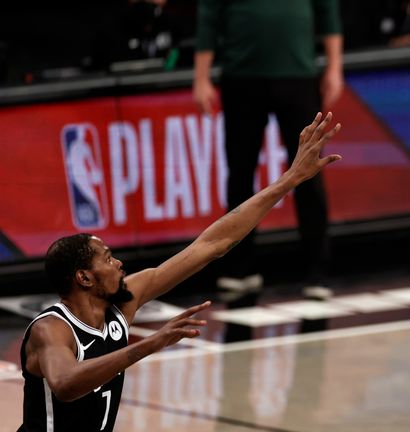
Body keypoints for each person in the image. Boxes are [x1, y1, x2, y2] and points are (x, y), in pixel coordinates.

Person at [17, 113, 342, 432]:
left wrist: (290, 180)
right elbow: (65, 384)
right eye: (107, 258)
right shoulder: (51, 330)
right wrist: (148, 344)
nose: (118, 264)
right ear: (84, 278)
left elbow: (212, 244)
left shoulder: (124, 300)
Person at [193, 0, 344, 299]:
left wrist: (335, 68)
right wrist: (201, 77)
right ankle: (240, 267)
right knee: (240, 171)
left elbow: (328, 14)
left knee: (309, 172)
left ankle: (317, 270)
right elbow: (209, 16)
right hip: (241, 78)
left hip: (298, 75)